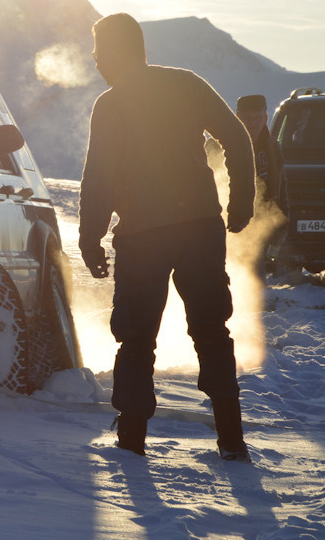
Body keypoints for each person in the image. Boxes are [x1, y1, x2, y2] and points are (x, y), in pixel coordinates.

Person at [78, 13, 256, 461]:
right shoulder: (185, 83)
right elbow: (236, 135)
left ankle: (132, 442)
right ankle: (232, 443)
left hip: (142, 236)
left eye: (100, 51)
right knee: (213, 332)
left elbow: (97, 178)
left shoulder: (111, 104)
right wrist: (241, 202)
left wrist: (90, 238)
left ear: (118, 52)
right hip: (200, 228)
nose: (96, 60)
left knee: (137, 338)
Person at [236, 94, 289, 271]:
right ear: (237, 118)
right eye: (246, 118)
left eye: (257, 117)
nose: (252, 123)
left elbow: (281, 188)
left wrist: (283, 223)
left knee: (256, 278)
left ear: (266, 118)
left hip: (261, 225)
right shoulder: (220, 145)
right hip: (232, 225)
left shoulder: (273, 147)